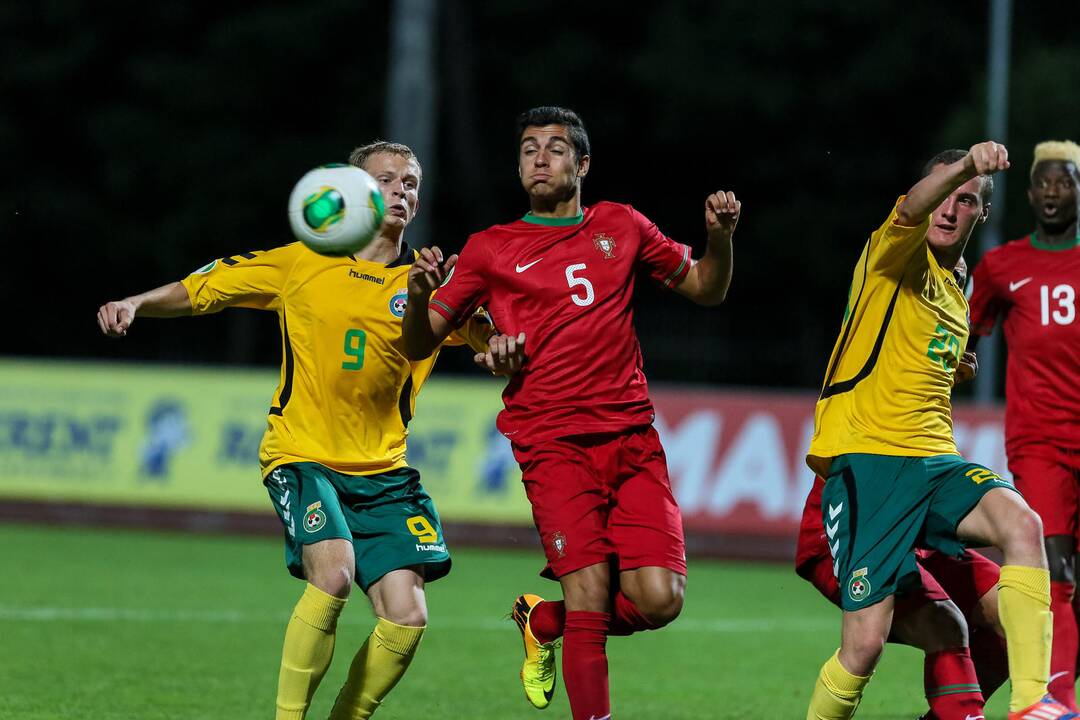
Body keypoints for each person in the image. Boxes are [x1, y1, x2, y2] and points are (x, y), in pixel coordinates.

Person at [97, 141, 496, 720]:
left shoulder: (433, 285)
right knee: (333, 577)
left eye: (410, 182)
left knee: (407, 616)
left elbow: (500, 347)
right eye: (385, 180)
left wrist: (500, 340)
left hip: (385, 472)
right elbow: (206, 287)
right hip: (302, 454)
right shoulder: (301, 262)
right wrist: (136, 302)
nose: (401, 191)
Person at [400, 106, 737, 720]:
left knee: (660, 601)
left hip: (633, 438)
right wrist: (420, 296)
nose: (539, 158)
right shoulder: (490, 249)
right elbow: (419, 343)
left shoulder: (622, 224)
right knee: (590, 594)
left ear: (583, 164)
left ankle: (542, 619)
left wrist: (720, 237)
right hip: (551, 442)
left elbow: (707, 289)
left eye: (555, 148)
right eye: (528, 148)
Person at [804, 141, 1078, 720]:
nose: (951, 210)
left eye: (969, 201)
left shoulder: (958, 286)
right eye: (945, 196)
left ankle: (1034, 703)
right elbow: (908, 212)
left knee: (1023, 525)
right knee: (863, 646)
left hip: (934, 459)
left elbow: (913, 350)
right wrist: (967, 167)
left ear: (982, 214)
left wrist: (954, 364)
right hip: (870, 462)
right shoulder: (893, 251)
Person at [968, 139, 1080, 709]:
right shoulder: (1001, 266)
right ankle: (1053, 700)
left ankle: (1027, 693)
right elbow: (962, 336)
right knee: (1054, 566)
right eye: (1044, 183)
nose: (1053, 192)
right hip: (1039, 442)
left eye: (1065, 182)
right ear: (1031, 191)